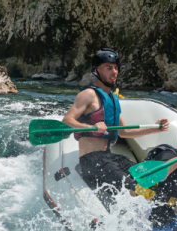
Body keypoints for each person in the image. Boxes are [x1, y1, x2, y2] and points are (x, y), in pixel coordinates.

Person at [62, 48, 168, 208]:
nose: (114, 72)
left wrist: (154, 128)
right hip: (92, 160)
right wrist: (91, 126)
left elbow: (125, 132)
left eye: (116, 68)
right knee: (133, 187)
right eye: (108, 68)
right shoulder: (88, 94)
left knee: (149, 179)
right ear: (96, 71)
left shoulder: (112, 99)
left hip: (110, 157)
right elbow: (67, 120)